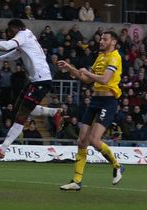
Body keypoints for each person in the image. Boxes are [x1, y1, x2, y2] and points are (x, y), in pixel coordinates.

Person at [0, 18, 61, 159]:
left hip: (41, 80)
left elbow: (7, 46)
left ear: (18, 28)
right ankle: (54, 112)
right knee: (17, 108)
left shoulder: (23, 34)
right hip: (35, 80)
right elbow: (15, 53)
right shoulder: (27, 36)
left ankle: (2, 149)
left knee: (21, 115)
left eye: (11, 30)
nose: (10, 33)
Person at [57, 31, 124, 191]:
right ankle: (77, 181)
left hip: (108, 102)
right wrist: (71, 68)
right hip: (95, 101)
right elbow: (87, 79)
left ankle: (117, 166)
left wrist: (87, 72)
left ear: (113, 42)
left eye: (105, 39)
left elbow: (105, 79)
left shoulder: (115, 57)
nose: (101, 41)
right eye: (101, 38)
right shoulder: (100, 57)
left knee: (94, 140)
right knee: (82, 141)